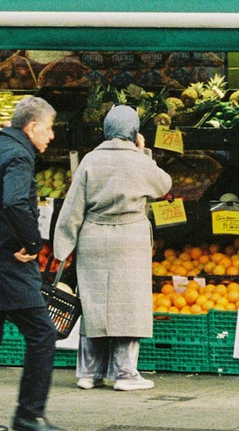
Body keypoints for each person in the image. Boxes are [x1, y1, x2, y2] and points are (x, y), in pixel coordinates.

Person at [53, 105, 172, 392]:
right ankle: (125, 373)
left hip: (93, 237)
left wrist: (62, 247)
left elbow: (72, 208)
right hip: (130, 239)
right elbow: (163, 185)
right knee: (127, 306)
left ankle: (88, 372)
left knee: (94, 304)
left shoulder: (90, 161)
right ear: (135, 132)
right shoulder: (139, 161)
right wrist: (143, 152)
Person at [0, 97, 65, 431]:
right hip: (10, 262)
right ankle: (29, 415)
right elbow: (16, 201)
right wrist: (32, 243)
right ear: (32, 126)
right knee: (42, 334)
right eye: (48, 128)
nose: (51, 136)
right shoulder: (20, 155)